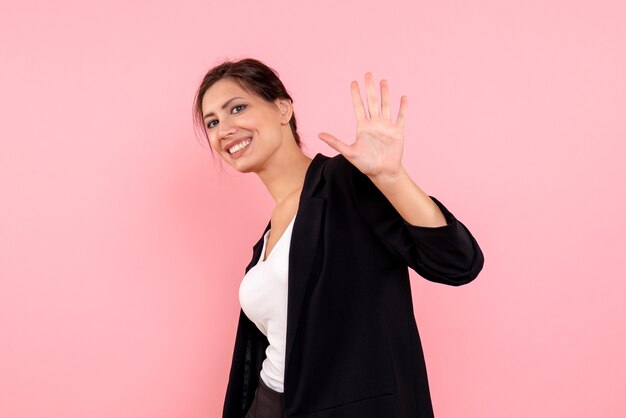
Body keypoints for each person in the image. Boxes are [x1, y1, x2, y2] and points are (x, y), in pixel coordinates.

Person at [193, 58, 485, 418]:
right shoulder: (267, 238)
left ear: (282, 108)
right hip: (270, 405)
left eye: (237, 108)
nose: (225, 129)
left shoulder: (344, 182)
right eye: (213, 122)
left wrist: (391, 178)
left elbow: (458, 263)